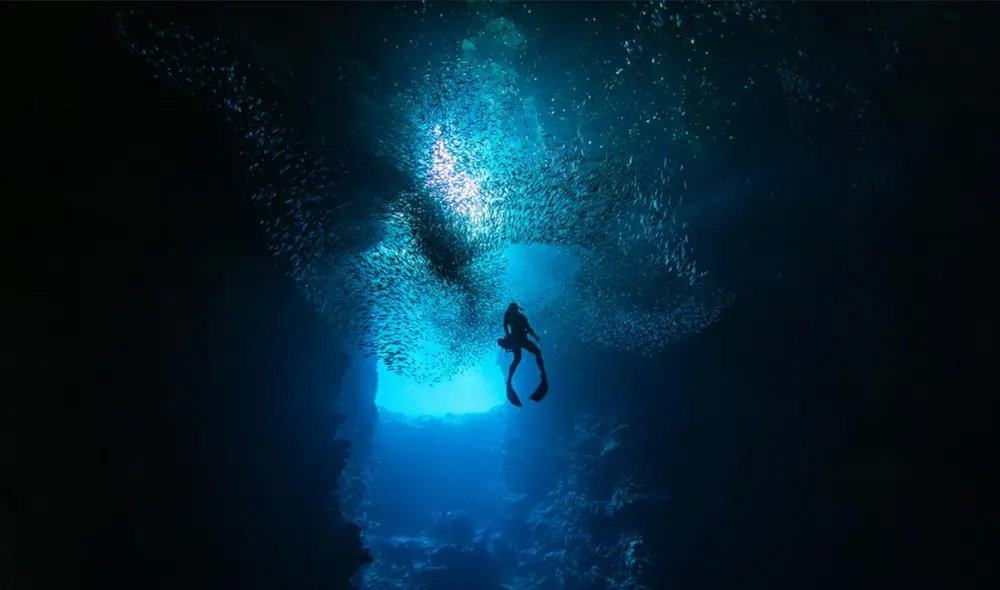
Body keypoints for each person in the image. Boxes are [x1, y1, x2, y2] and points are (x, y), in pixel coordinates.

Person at [501, 302, 547, 387]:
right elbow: (506, 326)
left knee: (521, 358)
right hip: (518, 340)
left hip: (519, 340)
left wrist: (535, 336)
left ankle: (543, 373)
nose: (511, 310)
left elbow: (528, 328)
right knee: (518, 359)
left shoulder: (519, 317)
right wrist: (508, 336)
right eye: (510, 309)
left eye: (512, 309)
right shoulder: (510, 315)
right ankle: (509, 379)